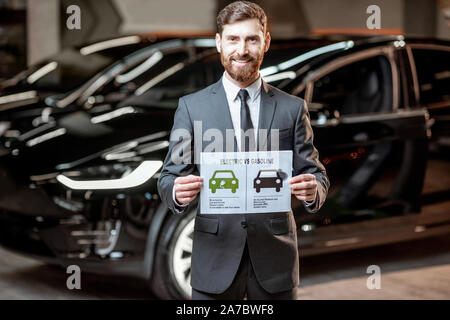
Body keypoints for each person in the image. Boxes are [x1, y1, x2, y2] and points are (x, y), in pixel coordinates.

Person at [157, 1, 329, 300]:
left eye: (252, 39)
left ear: (266, 42)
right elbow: (169, 176)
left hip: (274, 260)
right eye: (233, 39)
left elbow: (316, 173)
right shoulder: (192, 107)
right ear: (219, 42)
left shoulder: (291, 108)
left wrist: (313, 190)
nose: (242, 50)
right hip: (214, 257)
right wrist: (176, 191)